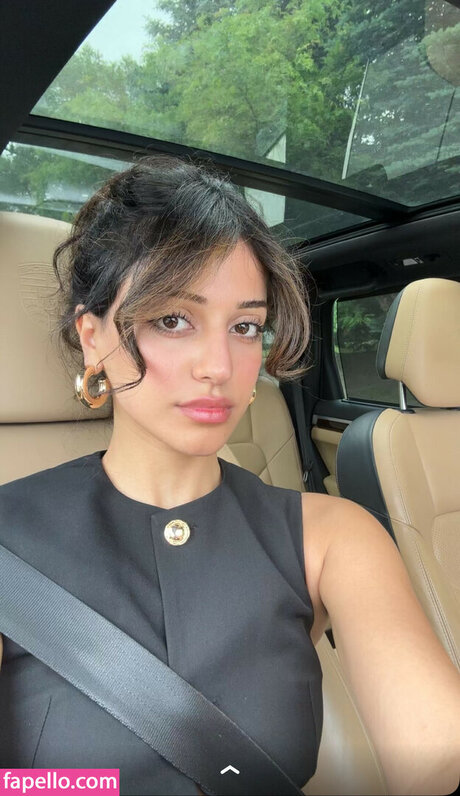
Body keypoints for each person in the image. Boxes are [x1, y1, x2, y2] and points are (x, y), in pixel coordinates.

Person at [0, 155, 459, 796]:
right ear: (92, 337)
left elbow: (439, 756)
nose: (220, 365)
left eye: (245, 327)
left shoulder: (333, 537)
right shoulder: (8, 541)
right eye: (172, 319)